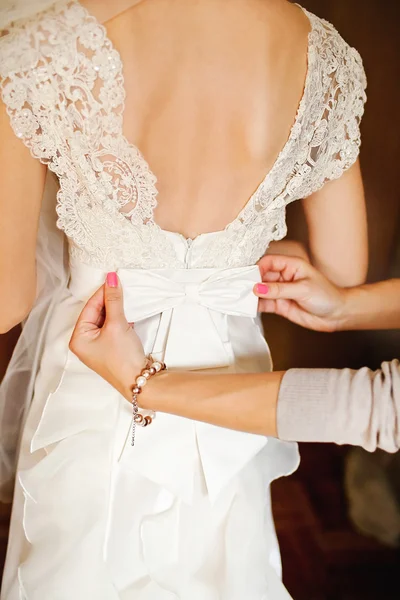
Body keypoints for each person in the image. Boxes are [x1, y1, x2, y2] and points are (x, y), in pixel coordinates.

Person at [0, 1, 368, 598]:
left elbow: (7, 299)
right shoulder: (324, 56)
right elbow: (343, 274)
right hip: (234, 397)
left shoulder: (41, 43)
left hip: (92, 376)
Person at [69, 254, 400, 454]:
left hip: (104, 359)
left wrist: (143, 384)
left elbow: (384, 407)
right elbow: (345, 270)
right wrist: (345, 306)